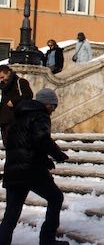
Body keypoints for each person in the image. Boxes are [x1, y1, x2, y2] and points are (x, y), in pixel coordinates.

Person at [0, 88, 69, 245]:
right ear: (47, 103)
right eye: (53, 105)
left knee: (11, 214)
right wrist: (58, 155)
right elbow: (41, 139)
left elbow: (22, 144)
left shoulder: (17, 117)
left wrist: (45, 160)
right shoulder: (40, 115)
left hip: (13, 170)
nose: (53, 110)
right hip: (31, 170)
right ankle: (47, 239)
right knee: (56, 198)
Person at [0, 65, 33, 146]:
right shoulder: (4, 86)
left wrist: (14, 101)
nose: (1, 80)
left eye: (2, 77)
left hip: (17, 121)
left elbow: (29, 95)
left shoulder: (20, 82)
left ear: (8, 73)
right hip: (5, 122)